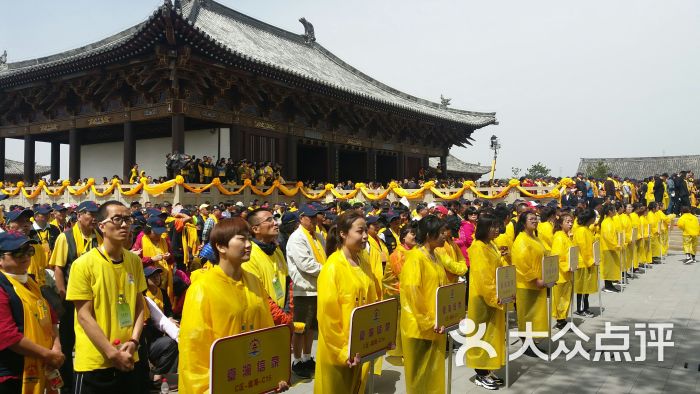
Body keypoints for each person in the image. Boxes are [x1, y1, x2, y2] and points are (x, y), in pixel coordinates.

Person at [178, 217, 287, 394]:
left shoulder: (254, 281)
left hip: (251, 377)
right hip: (223, 382)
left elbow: (266, 331)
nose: (249, 244)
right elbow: (193, 349)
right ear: (221, 247)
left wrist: (273, 374)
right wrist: (206, 389)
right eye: (241, 239)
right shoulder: (202, 288)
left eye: (249, 238)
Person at [66, 200, 147, 393]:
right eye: (117, 219)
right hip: (96, 362)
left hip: (128, 356)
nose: (125, 224)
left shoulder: (134, 261)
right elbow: (84, 316)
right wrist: (112, 353)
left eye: (128, 219)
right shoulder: (83, 264)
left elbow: (139, 305)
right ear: (101, 226)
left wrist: (134, 342)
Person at [314, 211, 381, 393]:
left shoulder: (363, 261)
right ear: (343, 234)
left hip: (361, 345)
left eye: (366, 230)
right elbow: (328, 319)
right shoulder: (332, 268)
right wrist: (344, 351)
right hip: (338, 352)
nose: (365, 236)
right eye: (360, 231)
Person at [0, 232, 64, 394]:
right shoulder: (3, 286)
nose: (25, 256)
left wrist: (56, 348)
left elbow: (52, 318)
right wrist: (47, 355)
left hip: (42, 363)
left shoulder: (30, 281)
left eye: (29, 251)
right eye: (17, 253)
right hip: (12, 374)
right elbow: (7, 335)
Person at [48, 200, 102, 392]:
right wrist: (62, 295)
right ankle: (68, 385)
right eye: (91, 214)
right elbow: (59, 268)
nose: (94, 218)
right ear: (79, 216)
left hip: (95, 299)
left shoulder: (99, 237)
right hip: (72, 299)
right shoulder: (66, 237)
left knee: (91, 338)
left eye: (97, 214)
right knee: (68, 341)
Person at [400, 215, 448, 394]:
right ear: (429, 234)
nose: (445, 235)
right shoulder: (415, 258)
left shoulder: (435, 256)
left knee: (433, 372)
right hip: (419, 327)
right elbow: (413, 294)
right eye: (441, 232)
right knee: (419, 376)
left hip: (435, 323)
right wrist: (429, 321)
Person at [466, 214, 505, 390]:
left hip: (493, 295)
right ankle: (480, 373)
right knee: (481, 334)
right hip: (482, 298)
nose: (496, 230)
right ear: (483, 228)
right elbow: (484, 278)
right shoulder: (478, 247)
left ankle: (487, 370)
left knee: (491, 334)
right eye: (492, 227)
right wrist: (495, 296)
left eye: (497, 226)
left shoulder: (491, 244)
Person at [286, 205, 326, 378]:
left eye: (316, 217)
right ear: (301, 218)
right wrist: (327, 270)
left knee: (312, 328)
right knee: (301, 327)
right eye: (310, 217)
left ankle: (308, 357)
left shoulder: (318, 236)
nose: (314, 221)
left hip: (319, 287)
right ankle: (297, 360)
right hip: (305, 289)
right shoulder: (297, 238)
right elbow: (305, 264)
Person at [243, 208, 292, 324]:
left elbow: (287, 281)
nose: (275, 223)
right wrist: (282, 318)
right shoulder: (249, 255)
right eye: (269, 220)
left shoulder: (277, 250)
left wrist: (287, 313)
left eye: (274, 219)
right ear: (255, 229)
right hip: (262, 321)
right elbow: (259, 294)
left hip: (282, 319)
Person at [511, 211, 550, 354]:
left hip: (539, 283)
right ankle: (527, 345)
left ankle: (532, 343)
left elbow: (545, 253)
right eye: (531, 219)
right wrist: (535, 279)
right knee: (527, 316)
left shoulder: (535, 238)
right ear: (523, 222)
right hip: (526, 285)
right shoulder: (521, 240)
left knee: (535, 316)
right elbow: (522, 264)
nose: (535, 221)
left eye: (536, 218)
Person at [142, 265, 179, 389]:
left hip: (162, 331)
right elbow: (154, 320)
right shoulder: (143, 295)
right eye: (152, 276)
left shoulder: (162, 292)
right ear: (145, 279)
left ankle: (167, 376)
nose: (156, 278)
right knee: (170, 343)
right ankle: (157, 375)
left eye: (158, 275)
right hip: (149, 338)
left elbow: (168, 312)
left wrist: (170, 318)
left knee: (176, 340)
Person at [382, 225, 416, 359]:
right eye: (411, 234)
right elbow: (403, 275)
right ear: (403, 238)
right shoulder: (397, 254)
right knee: (400, 323)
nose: (414, 236)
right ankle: (399, 351)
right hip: (396, 293)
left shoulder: (414, 251)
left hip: (408, 291)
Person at [550, 213, 574, 329]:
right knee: (560, 299)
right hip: (561, 274)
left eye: (571, 221)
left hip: (567, 272)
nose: (570, 224)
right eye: (567, 222)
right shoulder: (559, 237)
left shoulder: (565, 235)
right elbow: (558, 256)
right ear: (561, 223)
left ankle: (562, 319)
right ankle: (560, 321)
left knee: (565, 298)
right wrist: (566, 266)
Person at [572, 209, 598, 317]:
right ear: (590, 219)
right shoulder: (581, 231)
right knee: (582, 288)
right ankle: (581, 309)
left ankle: (585, 307)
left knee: (585, 287)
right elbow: (584, 248)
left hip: (587, 262)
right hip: (583, 262)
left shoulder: (586, 229)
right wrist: (590, 261)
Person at [599, 204, 621, 293]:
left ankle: (610, 284)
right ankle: (607, 285)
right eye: (614, 210)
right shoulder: (606, 222)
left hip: (611, 248)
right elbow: (608, 237)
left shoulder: (610, 220)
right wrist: (615, 245)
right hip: (607, 248)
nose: (616, 211)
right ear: (609, 212)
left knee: (611, 267)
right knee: (608, 268)